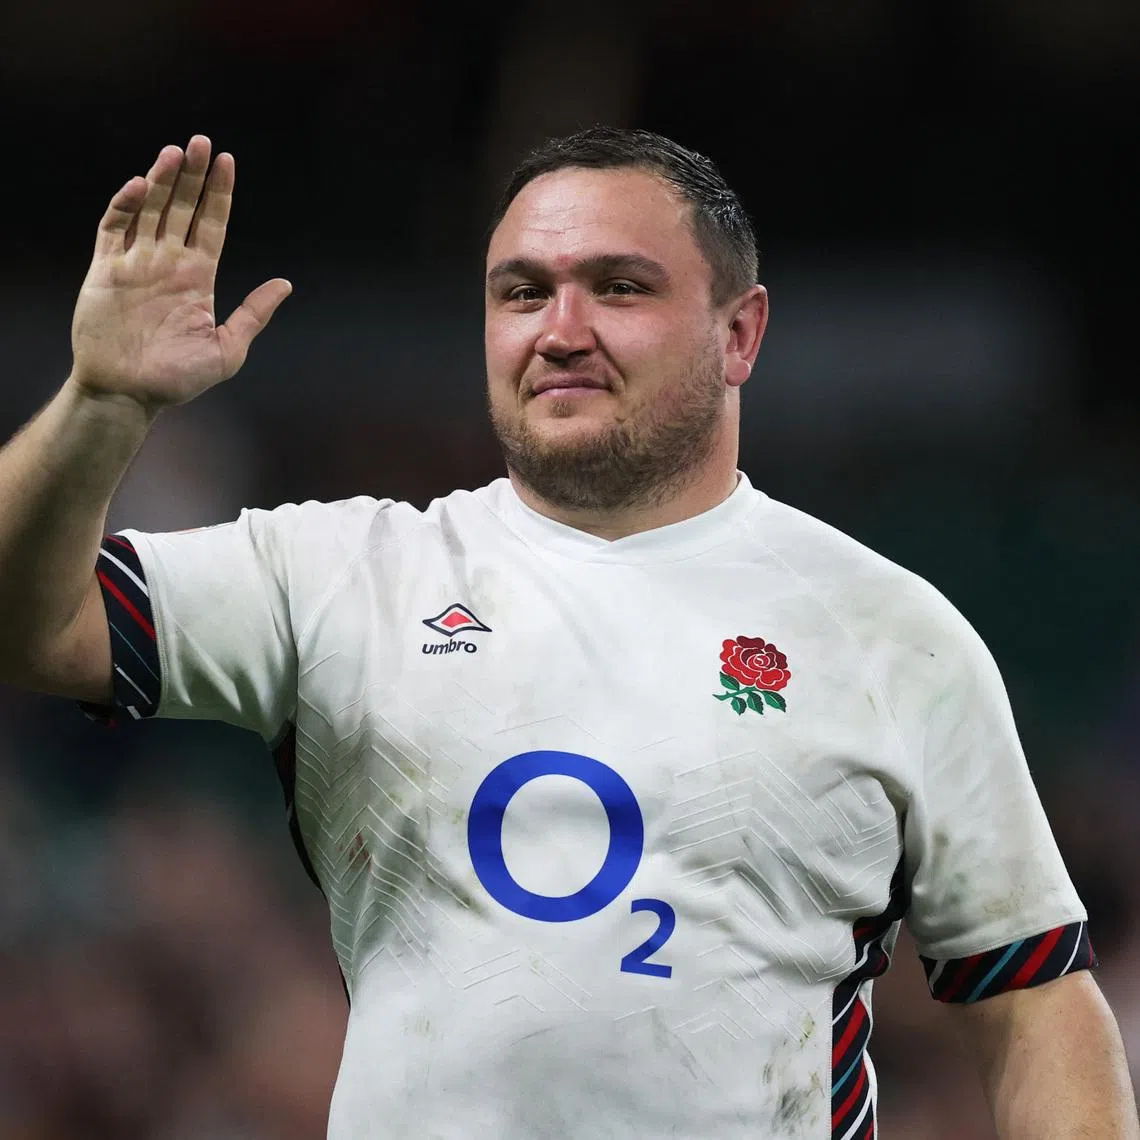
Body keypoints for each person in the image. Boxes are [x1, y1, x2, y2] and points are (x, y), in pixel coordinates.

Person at [0, 127, 1134, 1140]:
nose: (562, 329)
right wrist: (103, 404)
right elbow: (30, 627)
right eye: (522, 290)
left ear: (741, 334)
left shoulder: (893, 631)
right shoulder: (344, 573)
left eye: (621, 286)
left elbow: (1031, 999)